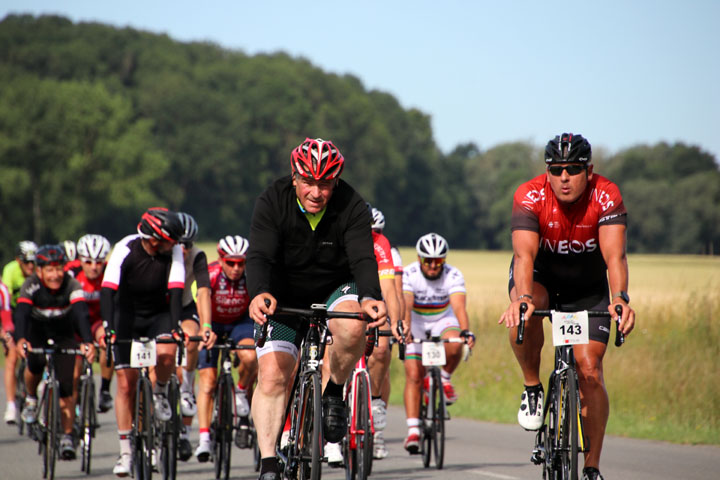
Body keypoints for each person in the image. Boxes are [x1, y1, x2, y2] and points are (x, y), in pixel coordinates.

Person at [246, 137, 387, 480]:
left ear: (336, 181)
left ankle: (334, 391)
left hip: (334, 288)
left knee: (353, 326)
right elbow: (260, 255)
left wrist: (370, 296)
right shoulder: (272, 200)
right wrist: (259, 292)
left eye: (325, 184)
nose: (316, 192)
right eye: (308, 181)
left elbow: (363, 258)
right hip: (282, 294)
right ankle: (268, 462)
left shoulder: (352, 204)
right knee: (272, 375)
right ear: (294, 177)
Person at [498, 133, 636, 480]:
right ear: (547, 171)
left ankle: (591, 467)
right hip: (541, 280)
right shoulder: (529, 194)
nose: (564, 177)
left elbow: (615, 256)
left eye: (573, 169)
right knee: (527, 311)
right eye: (556, 169)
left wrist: (619, 298)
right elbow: (523, 255)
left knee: (589, 370)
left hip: (587, 288)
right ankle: (532, 387)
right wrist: (523, 298)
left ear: (588, 171)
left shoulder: (606, 194)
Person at [101, 207, 187, 477]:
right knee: (126, 384)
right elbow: (107, 290)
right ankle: (126, 453)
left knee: (166, 354)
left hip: (158, 315)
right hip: (126, 316)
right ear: (154, 239)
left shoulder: (172, 252)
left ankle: (160, 391)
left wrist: (174, 328)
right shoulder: (125, 248)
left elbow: (175, 292)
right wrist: (108, 328)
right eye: (170, 241)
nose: (175, 246)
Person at [14, 244, 96, 461]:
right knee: (34, 364)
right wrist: (21, 339)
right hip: (37, 333)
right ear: (39, 271)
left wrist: (87, 341)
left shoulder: (72, 284)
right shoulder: (30, 285)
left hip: (64, 334)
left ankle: (67, 436)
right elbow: (21, 313)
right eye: (49, 270)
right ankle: (31, 399)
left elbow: (80, 313)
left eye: (58, 269)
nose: (55, 275)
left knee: (67, 386)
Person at [401, 232, 475, 453]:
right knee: (414, 374)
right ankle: (413, 431)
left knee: (456, 343)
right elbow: (405, 304)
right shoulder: (409, 274)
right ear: (419, 258)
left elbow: (459, 307)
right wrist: (405, 328)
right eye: (428, 261)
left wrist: (465, 331)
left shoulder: (453, 275)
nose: (433, 266)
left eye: (439, 261)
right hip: (415, 322)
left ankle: (443, 378)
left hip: (442, 319)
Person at [194, 235, 257, 461]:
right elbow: (202, 299)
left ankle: (241, 390)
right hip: (214, 322)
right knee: (208, 382)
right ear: (221, 260)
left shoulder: (251, 276)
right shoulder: (210, 275)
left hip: (241, 323)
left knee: (250, 358)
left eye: (241, 263)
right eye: (231, 262)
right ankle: (204, 440)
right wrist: (206, 327)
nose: (236, 268)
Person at [176, 212, 214, 461]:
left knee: (191, 337)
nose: (183, 249)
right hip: (154, 309)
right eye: (178, 243)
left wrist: (207, 324)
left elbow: (202, 292)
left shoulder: (197, 255)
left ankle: (187, 388)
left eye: (187, 244)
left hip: (183, 306)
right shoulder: (162, 255)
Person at [73, 234, 115, 413]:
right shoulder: (71, 272)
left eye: (99, 262)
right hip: (75, 322)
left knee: (107, 341)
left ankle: (105, 390)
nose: (94, 267)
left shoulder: (110, 272)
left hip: (98, 321)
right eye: (88, 262)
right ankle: (73, 404)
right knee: (74, 373)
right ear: (80, 260)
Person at [2, 240, 37, 424]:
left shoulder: (40, 272)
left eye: (34, 262)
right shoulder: (11, 271)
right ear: (18, 260)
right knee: (12, 356)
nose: (31, 266)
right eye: (27, 262)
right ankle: (11, 405)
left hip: (34, 314)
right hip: (13, 314)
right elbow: (5, 302)